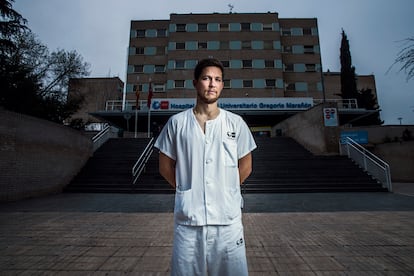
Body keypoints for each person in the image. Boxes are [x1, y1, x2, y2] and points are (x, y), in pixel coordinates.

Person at [154, 58, 257, 276]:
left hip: (228, 223)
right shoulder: (177, 123)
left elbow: (246, 165)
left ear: (222, 85)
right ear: (195, 82)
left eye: (217, 79)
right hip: (189, 223)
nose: (212, 84)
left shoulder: (235, 123)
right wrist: (187, 189)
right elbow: (165, 167)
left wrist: (226, 190)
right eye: (206, 78)